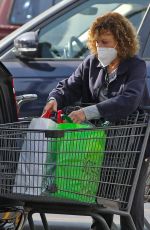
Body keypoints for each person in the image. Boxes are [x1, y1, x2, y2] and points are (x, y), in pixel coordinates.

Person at [43, 12, 150, 230]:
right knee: (101, 201)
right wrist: (54, 99)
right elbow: (69, 86)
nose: (100, 47)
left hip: (132, 143)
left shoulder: (135, 66)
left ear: (120, 42)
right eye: (97, 42)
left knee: (130, 207)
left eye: (106, 42)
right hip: (100, 143)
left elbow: (129, 100)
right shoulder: (92, 64)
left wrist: (88, 112)